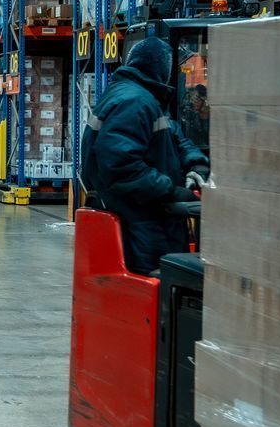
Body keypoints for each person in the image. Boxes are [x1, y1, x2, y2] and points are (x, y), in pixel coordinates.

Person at [79, 36, 210, 277]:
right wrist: (169, 190)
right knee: (160, 287)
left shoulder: (142, 99)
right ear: (161, 70)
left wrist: (196, 164)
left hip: (148, 219)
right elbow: (121, 166)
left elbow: (175, 138)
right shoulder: (134, 102)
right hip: (141, 223)